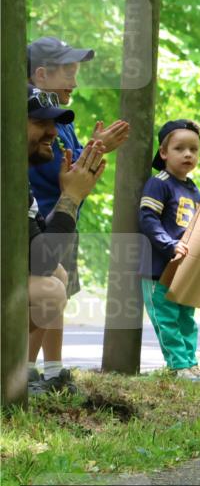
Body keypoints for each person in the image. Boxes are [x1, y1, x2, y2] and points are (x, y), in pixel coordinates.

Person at [26, 37, 130, 390]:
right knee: (45, 289)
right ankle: (23, 370)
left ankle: (52, 369)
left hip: (61, 219)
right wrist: (96, 149)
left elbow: (72, 166)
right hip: (43, 220)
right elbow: (58, 169)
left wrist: (92, 149)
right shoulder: (31, 115)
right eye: (67, 70)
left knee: (60, 287)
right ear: (41, 74)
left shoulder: (59, 118)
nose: (75, 79)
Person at [138, 120, 200, 383]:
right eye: (180, 148)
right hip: (158, 266)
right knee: (166, 317)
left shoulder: (193, 190)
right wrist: (169, 244)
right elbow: (148, 218)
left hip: (185, 270)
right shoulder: (159, 183)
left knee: (185, 318)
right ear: (164, 153)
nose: (188, 154)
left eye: (194, 149)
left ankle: (190, 364)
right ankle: (178, 366)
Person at [26, 87, 106, 394]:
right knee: (48, 289)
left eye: (54, 124)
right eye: (40, 123)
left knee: (57, 276)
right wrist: (71, 196)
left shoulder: (18, 180)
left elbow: (41, 253)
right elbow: (40, 262)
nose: (52, 132)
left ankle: (20, 370)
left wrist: (67, 195)